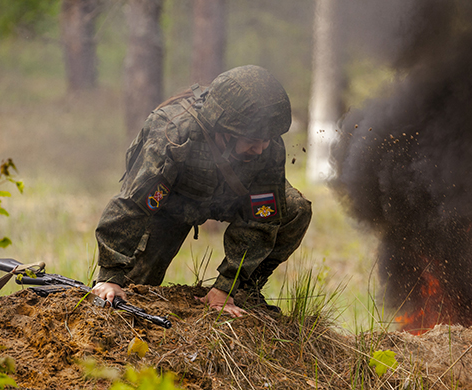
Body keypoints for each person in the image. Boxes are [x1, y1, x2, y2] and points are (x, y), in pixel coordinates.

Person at [92, 65, 312, 317]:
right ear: (224, 130)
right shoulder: (173, 135)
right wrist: (110, 276)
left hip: (229, 199)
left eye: (266, 140)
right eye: (253, 141)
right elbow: (132, 204)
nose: (261, 148)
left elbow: (262, 218)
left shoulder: (268, 145)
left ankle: (245, 291)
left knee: (294, 208)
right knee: (129, 292)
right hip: (169, 207)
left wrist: (227, 286)